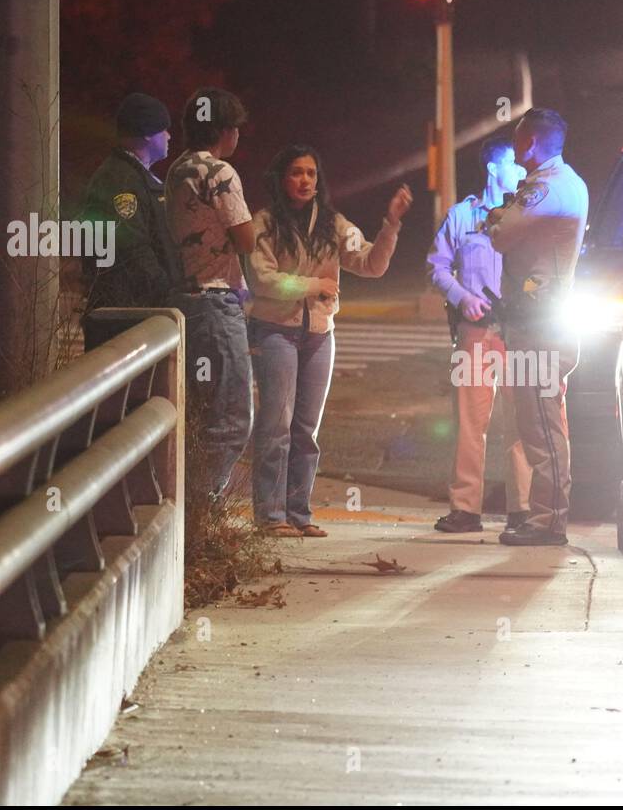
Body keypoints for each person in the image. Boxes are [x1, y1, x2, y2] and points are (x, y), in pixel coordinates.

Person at [246, 145, 412, 537]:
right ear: (281, 179)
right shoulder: (265, 224)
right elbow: (262, 280)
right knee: (276, 426)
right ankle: (270, 515)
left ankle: (299, 514)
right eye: (296, 173)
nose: (305, 181)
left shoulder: (332, 224)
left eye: (311, 174)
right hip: (275, 331)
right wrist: (313, 284)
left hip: (320, 334)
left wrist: (390, 225)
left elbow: (371, 264)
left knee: (306, 429)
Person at [485, 108, 589, 547]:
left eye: (518, 138)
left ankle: (548, 522)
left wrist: (498, 217)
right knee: (535, 425)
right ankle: (545, 518)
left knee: (542, 428)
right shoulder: (563, 183)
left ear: (529, 142)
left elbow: (501, 233)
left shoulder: (548, 188)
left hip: (541, 326)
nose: (515, 146)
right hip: (534, 321)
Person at [427, 137, 532, 534]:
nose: (521, 171)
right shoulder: (462, 216)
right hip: (475, 332)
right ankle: (465, 509)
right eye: (513, 164)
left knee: (521, 423)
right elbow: (436, 268)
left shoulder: (526, 217)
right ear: (493, 169)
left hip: (518, 331)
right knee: (470, 423)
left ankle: (521, 510)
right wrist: (462, 297)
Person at [164, 87, 256, 501]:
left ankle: (185, 500)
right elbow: (246, 237)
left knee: (199, 411)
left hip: (183, 301)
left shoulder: (177, 170)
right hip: (217, 302)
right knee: (233, 417)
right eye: (235, 128)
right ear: (224, 131)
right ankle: (203, 505)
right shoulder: (220, 173)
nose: (238, 136)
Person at [79, 92, 183, 335]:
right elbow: (131, 248)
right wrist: (167, 291)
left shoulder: (136, 178)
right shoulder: (120, 181)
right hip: (128, 315)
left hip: (141, 310)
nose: (169, 136)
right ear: (147, 133)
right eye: (164, 129)